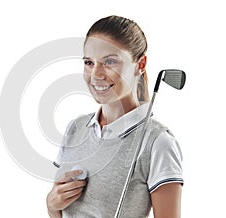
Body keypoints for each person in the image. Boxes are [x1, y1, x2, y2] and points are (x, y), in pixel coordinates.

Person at [46, 15, 183, 218]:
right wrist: (51, 205)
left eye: (110, 62)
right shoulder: (75, 128)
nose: (96, 74)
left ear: (141, 64)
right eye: (89, 62)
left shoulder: (157, 141)